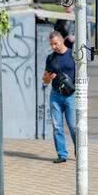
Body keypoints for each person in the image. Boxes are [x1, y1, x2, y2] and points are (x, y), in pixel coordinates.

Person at [43, 31, 76, 163]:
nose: (53, 47)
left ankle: (80, 150)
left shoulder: (73, 55)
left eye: (55, 43)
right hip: (55, 95)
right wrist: (48, 78)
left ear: (61, 40)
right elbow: (44, 80)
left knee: (73, 126)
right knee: (57, 126)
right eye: (51, 44)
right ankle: (62, 154)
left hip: (71, 96)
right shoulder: (50, 58)